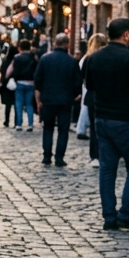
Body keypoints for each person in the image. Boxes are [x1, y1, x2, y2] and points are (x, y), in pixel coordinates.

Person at [83, 18, 129, 231]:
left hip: (102, 118)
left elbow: (90, 86)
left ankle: (109, 216)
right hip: (126, 119)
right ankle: (126, 214)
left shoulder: (93, 58)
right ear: (125, 35)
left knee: (107, 169)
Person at [34, 33, 82, 167]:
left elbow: (38, 80)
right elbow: (77, 81)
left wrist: (38, 99)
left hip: (48, 99)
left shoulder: (45, 59)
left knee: (48, 128)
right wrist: (75, 94)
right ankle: (59, 157)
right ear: (67, 44)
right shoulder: (72, 61)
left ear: (55, 43)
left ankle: (47, 156)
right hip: (65, 100)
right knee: (63, 129)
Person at [80, 33, 108, 167]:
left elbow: (85, 80)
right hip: (107, 97)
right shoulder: (109, 58)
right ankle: (105, 154)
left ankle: (95, 155)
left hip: (92, 97)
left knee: (94, 128)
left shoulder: (88, 59)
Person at [8, 40, 39, 131]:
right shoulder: (33, 57)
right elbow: (37, 70)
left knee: (19, 104)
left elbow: (12, 69)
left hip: (19, 82)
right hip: (30, 82)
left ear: (20, 47)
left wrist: (6, 77)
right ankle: (30, 124)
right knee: (29, 104)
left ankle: (19, 124)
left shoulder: (17, 57)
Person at [0, 40, 17, 128]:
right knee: (16, 104)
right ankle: (17, 122)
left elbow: (2, 71)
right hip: (16, 82)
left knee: (8, 104)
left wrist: (2, 81)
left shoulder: (6, 61)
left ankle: (7, 120)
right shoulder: (17, 60)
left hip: (7, 84)